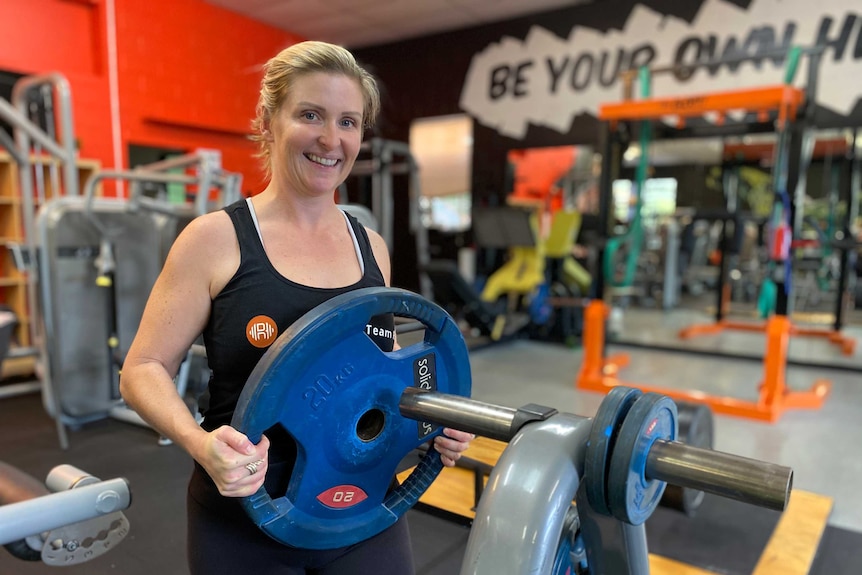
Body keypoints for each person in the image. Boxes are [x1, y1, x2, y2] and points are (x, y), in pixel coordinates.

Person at [120, 40, 474, 575]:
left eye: (349, 122)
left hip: (362, 509)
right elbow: (142, 370)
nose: (332, 140)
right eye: (311, 115)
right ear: (268, 121)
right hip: (243, 518)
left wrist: (436, 420)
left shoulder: (371, 248)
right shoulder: (215, 240)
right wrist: (199, 443)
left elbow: (388, 371)